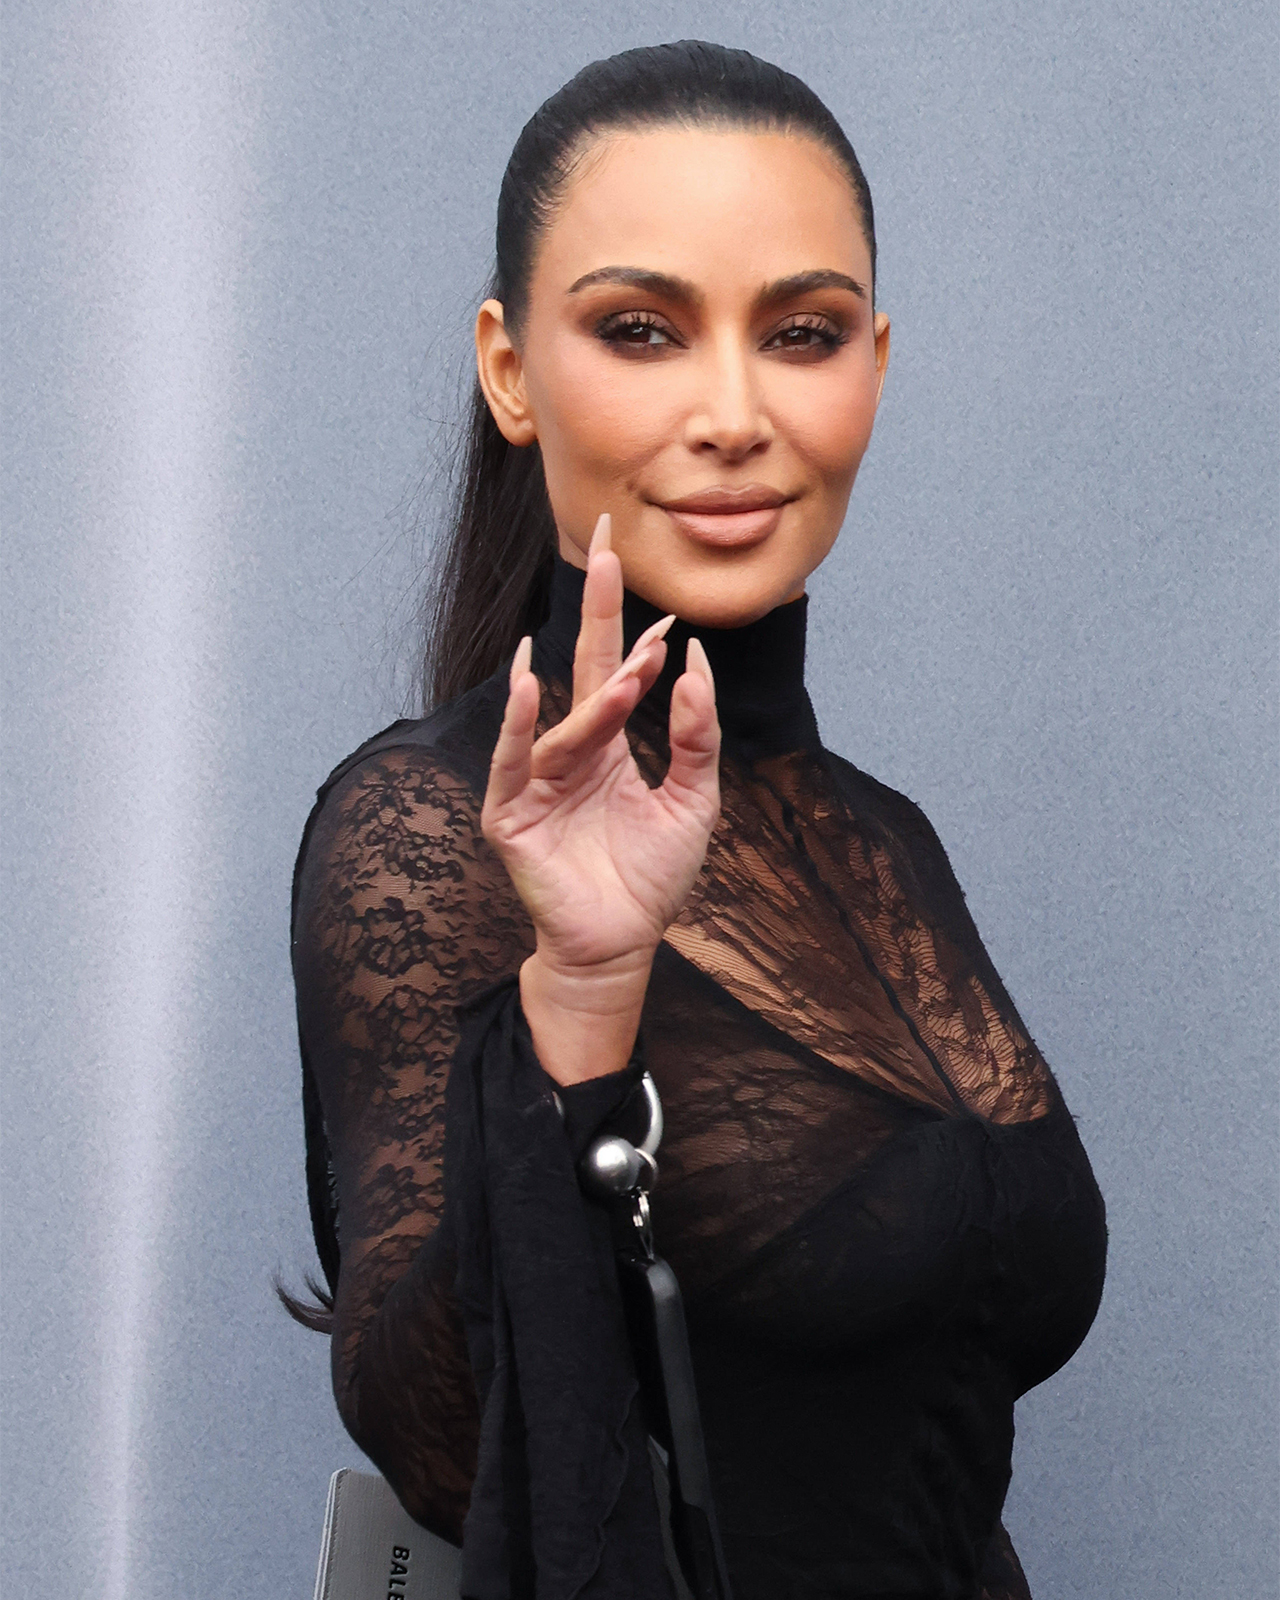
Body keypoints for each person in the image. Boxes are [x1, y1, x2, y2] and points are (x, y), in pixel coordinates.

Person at [286, 41, 1108, 1600]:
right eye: (641, 330)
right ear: (510, 370)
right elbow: (447, 1450)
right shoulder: (424, 826)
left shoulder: (887, 838)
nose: (734, 412)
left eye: (802, 333)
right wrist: (581, 1000)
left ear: (876, 364)